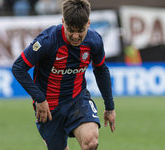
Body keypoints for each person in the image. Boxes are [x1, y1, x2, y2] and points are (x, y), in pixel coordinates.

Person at [12, 0, 116, 149]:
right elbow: (18, 67)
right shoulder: (47, 41)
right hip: (48, 106)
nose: (75, 36)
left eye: (80, 30)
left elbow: (101, 70)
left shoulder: (94, 41)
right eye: (70, 30)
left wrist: (110, 107)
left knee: (91, 142)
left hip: (77, 99)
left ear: (88, 23)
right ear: (63, 22)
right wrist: (39, 99)